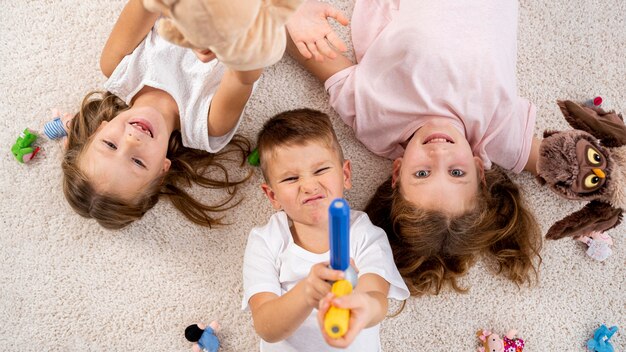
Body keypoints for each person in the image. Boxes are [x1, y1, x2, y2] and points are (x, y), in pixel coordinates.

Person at [285, 0, 542, 295]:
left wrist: (289, 13)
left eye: (422, 174)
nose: (439, 154)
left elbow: (307, 49)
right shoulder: (495, 135)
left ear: (397, 172)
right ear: (478, 170)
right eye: (457, 172)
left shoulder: (375, 120)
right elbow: (557, 163)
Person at [61, 0, 263, 229]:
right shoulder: (207, 125)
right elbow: (248, 70)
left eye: (110, 144)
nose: (131, 141)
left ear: (99, 129)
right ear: (162, 171)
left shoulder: (117, 68)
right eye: (137, 161)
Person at [241, 109, 409, 351]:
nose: (309, 186)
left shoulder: (366, 235)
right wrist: (307, 293)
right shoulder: (265, 241)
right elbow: (266, 328)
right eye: (290, 179)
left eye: (320, 170)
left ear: (345, 175)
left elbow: (377, 300)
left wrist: (360, 305)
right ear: (272, 195)